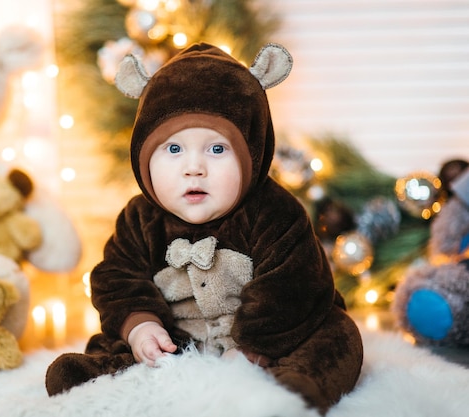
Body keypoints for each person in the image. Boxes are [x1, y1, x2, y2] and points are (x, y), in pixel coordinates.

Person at [45, 42, 363, 414]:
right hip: (178, 337)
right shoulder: (139, 218)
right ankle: (113, 378)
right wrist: (141, 328)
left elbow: (293, 285)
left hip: (268, 336)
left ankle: (292, 391)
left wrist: (251, 348)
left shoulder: (274, 211)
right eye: (174, 150)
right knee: (114, 343)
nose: (194, 168)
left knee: (333, 336)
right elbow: (116, 278)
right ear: (144, 156)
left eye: (216, 150)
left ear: (251, 155)